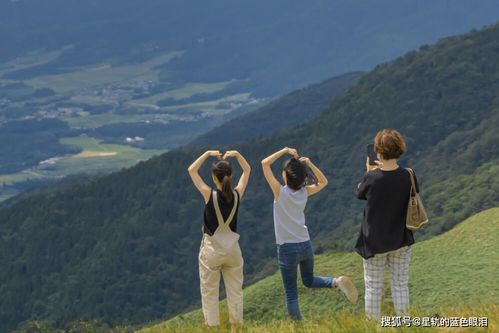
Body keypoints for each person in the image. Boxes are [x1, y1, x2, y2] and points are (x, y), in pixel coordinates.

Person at [261, 147, 358, 320]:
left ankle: (298, 328)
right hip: (305, 244)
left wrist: (284, 151)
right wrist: (309, 163)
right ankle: (336, 282)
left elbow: (264, 163)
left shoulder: (279, 192)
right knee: (309, 280)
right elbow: (323, 182)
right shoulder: (305, 192)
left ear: (285, 175)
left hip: (286, 249)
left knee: (291, 293)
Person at [355, 129, 420, 320]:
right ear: (400, 149)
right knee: (400, 284)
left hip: (374, 242)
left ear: (378, 151)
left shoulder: (372, 178)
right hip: (401, 238)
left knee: (373, 286)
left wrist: (368, 173)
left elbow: (360, 193)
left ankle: (372, 326)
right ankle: (404, 323)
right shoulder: (409, 175)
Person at [188, 149, 251, 330]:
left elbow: (192, 170)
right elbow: (247, 171)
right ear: (230, 175)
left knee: (209, 293)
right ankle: (237, 328)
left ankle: (213, 328)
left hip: (211, 251)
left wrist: (207, 154)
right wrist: (238, 155)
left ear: (214, 177)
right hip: (233, 251)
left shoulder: (209, 195)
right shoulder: (238, 194)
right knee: (235, 292)